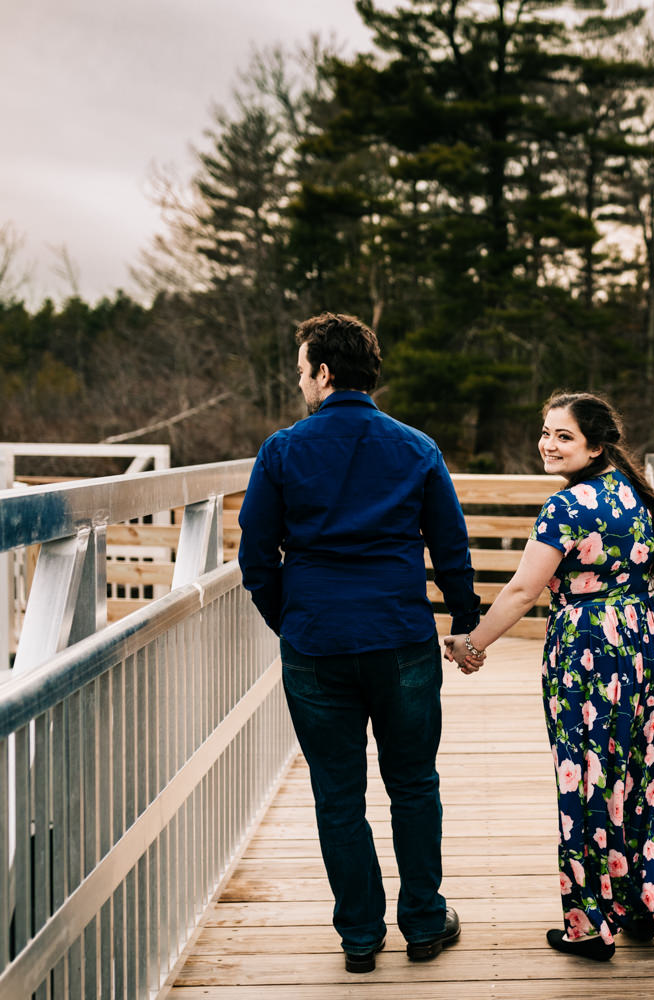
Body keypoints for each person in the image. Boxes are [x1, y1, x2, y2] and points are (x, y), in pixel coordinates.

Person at [238, 313, 477, 974]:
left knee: (337, 793)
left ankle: (360, 936)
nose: (301, 385)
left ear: (324, 372)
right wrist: (462, 620)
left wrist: (293, 617)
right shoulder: (416, 448)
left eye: (302, 372)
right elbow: (450, 548)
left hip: (316, 643)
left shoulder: (283, 451)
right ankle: (425, 923)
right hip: (400, 637)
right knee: (414, 784)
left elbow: (256, 558)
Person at [444, 391, 654, 961]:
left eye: (563, 435)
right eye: (545, 431)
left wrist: (472, 644)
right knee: (640, 766)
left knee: (588, 774)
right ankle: (641, 903)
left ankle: (590, 926)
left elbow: (521, 590)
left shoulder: (566, 507)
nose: (548, 443)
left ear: (595, 444)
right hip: (640, 640)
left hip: (588, 648)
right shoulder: (633, 493)